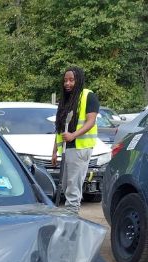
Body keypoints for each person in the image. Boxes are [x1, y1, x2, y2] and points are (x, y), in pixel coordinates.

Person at [51, 66, 98, 214]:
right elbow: (60, 128)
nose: (68, 83)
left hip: (80, 148)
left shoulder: (88, 96)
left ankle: (72, 223)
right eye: (65, 80)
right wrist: (54, 151)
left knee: (73, 188)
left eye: (71, 80)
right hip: (67, 149)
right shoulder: (66, 99)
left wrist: (73, 135)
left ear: (78, 80)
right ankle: (69, 219)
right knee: (66, 186)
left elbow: (91, 122)